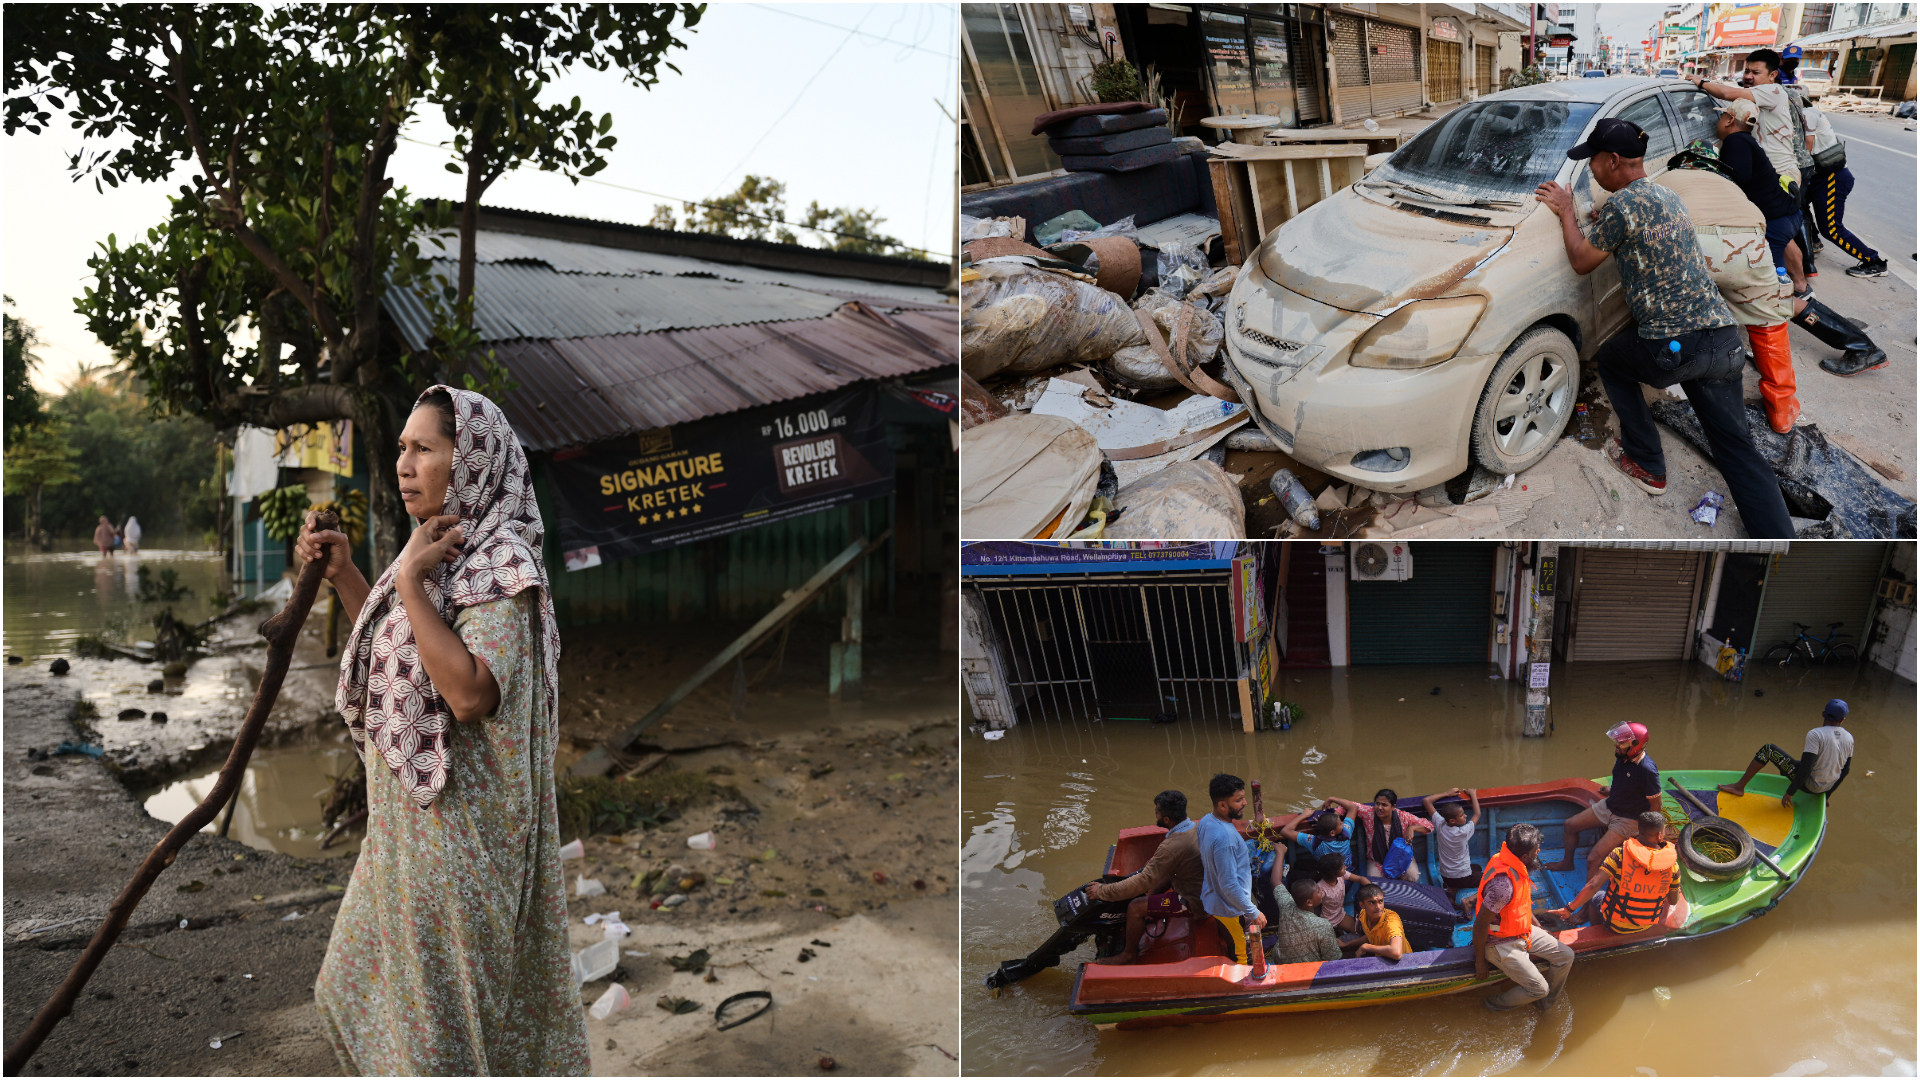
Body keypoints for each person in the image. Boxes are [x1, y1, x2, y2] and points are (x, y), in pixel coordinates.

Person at [298, 386, 590, 1074]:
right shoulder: (437, 554)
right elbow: (410, 655)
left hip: (460, 848)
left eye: (423, 449)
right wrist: (350, 579)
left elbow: (464, 693)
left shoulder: (504, 568)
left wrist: (404, 582)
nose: (403, 464)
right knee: (352, 983)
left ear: (472, 463)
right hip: (406, 838)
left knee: (438, 1043)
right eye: (401, 448)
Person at [1534, 118, 1794, 539]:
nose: (1592, 171)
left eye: (1594, 163)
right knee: (1735, 445)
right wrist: (1607, 221)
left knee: (1614, 360)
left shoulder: (1622, 207)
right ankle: (1777, 535)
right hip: (1723, 342)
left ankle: (1648, 464)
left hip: (1674, 349)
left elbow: (1582, 261)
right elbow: (1642, 232)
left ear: (1612, 160)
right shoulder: (1666, 195)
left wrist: (1567, 210)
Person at [1657, 140, 1801, 433]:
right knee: (1769, 324)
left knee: (1675, 311)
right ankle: (1782, 409)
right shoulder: (1733, 187)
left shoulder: (1667, 178)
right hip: (1749, 247)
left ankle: (1664, 374)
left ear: (1685, 162)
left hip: (1695, 244)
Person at [1085, 790, 1206, 964]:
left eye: (1157, 812)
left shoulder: (1171, 846)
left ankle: (1128, 955)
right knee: (1164, 878)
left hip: (1195, 903)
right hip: (1202, 888)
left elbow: (1142, 882)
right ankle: (1151, 904)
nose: (1155, 815)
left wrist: (1102, 891)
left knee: (1135, 907)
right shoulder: (1196, 827)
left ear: (1166, 819)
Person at [1472, 823, 1575, 1012]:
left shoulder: (1512, 863)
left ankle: (1545, 1005)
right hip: (1499, 943)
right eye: (1537, 850)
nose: (1539, 852)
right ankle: (1491, 1004)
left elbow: (1523, 905)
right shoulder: (1502, 888)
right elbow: (1479, 926)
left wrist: (1539, 929)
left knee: (1566, 956)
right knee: (1539, 988)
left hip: (1521, 931)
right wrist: (1480, 961)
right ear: (1525, 856)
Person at [1549, 721, 1663, 877]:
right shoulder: (1622, 756)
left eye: (1621, 742)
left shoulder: (1647, 770)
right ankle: (1567, 862)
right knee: (1570, 825)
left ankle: (1589, 900)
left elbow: (1656, 806)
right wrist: (1612, 790)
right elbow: (1626, 781)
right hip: (1610, 805)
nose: (1616, 744)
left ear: (1635, 745)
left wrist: (1646, 833)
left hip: (1628, 819)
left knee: (1594, 858)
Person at [1797, 100, 1888, 278]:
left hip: (1832, 180)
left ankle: (1874, 261)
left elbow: (1806, 151)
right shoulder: (1802, 116)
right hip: (1820, 178)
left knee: (1831, 229)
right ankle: (1814, 240)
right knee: (1798, 204)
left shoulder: (1808, 114)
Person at [1550, 812, 1680, 934]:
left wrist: (1569, 909)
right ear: (1660, 835)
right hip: (1646, 924)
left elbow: (1593, 886)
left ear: (1639, 830)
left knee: (1597, 895)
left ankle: (1598, 931)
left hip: (1616, 923)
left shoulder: (1619, 854)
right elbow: (1673, 901)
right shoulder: (1672, 865)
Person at [1718, 698, 1855, 807]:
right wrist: (1827, 794)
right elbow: (1845, 770)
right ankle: (1788, 781)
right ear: (1842, 720)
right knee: (1793, 763)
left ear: (1823, 714)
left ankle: (1739, 787)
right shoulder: (1849, 738)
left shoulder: (1816, 734)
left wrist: (1790, 793)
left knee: (1768, 750)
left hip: (1810, 786)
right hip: (1825, 788)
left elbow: (1806, 768)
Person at [1197, 773, 1265, 965]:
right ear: (1222, 805)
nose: (1244, 803)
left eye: (1244, 797)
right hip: (1229, 908)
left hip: (1215, 897)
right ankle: (1244, 984)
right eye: (1238, 800)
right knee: (1241, 955)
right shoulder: (1225, 839)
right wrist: (1253, 912)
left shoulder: (1205, 821)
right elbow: (1228, 885)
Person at [1327, 791, 1433, 882]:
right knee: (1373, 882)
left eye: (1384, 805)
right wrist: (1335, 816)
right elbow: (1348, 805)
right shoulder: (1368, 813)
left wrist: (1412, 828)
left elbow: (1429, 826)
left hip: (1400, 858)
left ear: (1393, 807)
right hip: (1376, 860)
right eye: (1377, 804)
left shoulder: (1404, 817)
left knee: (1413, 876)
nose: (1379, 808)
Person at [1421, 787, 1482, 913]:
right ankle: (1468, 900)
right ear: (1453, 820)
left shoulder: (1440, 823)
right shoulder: (1462, 832)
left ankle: (1451, 891)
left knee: (1476, 867)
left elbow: (1426, 801)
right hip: (1463, 877)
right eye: (1462, 815)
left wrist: (1446, 793)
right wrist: (1473, 794)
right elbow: (1477, 814)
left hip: (1446, 876)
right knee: (1492, 877)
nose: (1465, 816)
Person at [1270, 879, 1343, 966]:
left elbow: (1275, 881)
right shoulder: (1322, 925)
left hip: (1282, 965)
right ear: (1309, 902)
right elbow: (1334, 959)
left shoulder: (1286, 905)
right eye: (1318, 891)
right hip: (1308, 971)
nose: (1322, 891)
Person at [1279, 803, 1353, 884]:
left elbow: (1285, 831)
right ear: (1331, 832)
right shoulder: (1346, 833)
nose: (1342, 823)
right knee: (1299, 863)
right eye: (1340, 823)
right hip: (1347, 872)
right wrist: (1332, 799)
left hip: (1327, 877)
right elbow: (1352, 808)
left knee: (1293, 872)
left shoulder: (1314, 842)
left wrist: (1303, 815)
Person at [1342, 883, 1409, 961]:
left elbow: (1396, 953)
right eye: (1372, 903)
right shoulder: (1363, 915)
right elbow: (1370, 936)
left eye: (1380, 901)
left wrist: (1367, 947)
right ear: (1362, 905)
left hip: (1401, 963)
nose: (1378, 907)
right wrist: (1346, 945)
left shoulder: (1391, 921)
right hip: (1381, 956)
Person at [1306, 851, 1368, 935]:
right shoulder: (1320, 888)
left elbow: (1361, 879)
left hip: (1340, 916)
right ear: (1333, 873)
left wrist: (1374, 889)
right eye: (1342, 867)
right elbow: (1311, 908)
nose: (1345, 867)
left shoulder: (1342, 876)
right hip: (1327, 922)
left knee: (1360, 931)